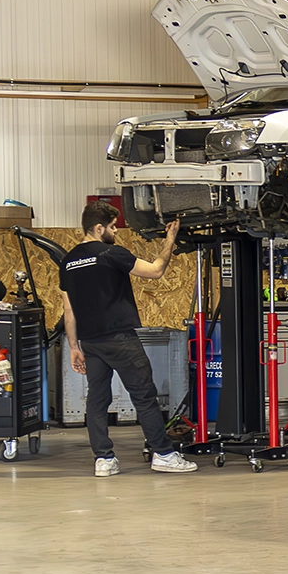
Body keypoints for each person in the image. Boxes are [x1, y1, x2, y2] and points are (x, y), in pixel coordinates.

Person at [60, 201, 198, 476]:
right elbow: (156, 270)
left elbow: (69, 309)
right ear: (99, 228)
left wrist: (74, 347)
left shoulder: (69, 261)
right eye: (112, 227)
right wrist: (170, 240)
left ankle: (104, 459)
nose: (115, 231)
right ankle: (163, 454)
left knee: (97, 400)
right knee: (144, 396)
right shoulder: (111, 253)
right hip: (120, 338)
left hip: (90, 341)